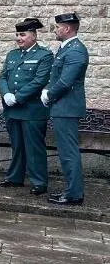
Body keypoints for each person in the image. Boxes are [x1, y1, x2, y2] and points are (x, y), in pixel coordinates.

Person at [0, 18, 53, 197]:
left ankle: (39, 182)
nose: (19, 38)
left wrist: (17, 97)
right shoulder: (12, 55)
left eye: (23, 34)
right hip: (12, 109)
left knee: (34, 147)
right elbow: (2, 77)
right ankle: (15, 178)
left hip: (32, 110)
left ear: (33, 36)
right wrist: (6, 94)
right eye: (17, 35)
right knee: (17, 145)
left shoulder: (44, 55)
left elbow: (39, 81)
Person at [43, 12, 89, 206]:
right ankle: (71, 191)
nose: (55, 30)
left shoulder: (75, 50)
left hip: (66, 108)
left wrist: (48, 94)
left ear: (67, 28)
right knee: (66, 151)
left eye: (57, 27)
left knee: (68, 152)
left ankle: (74, 194)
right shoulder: (66, 48)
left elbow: (65, 81)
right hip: (63, 108)